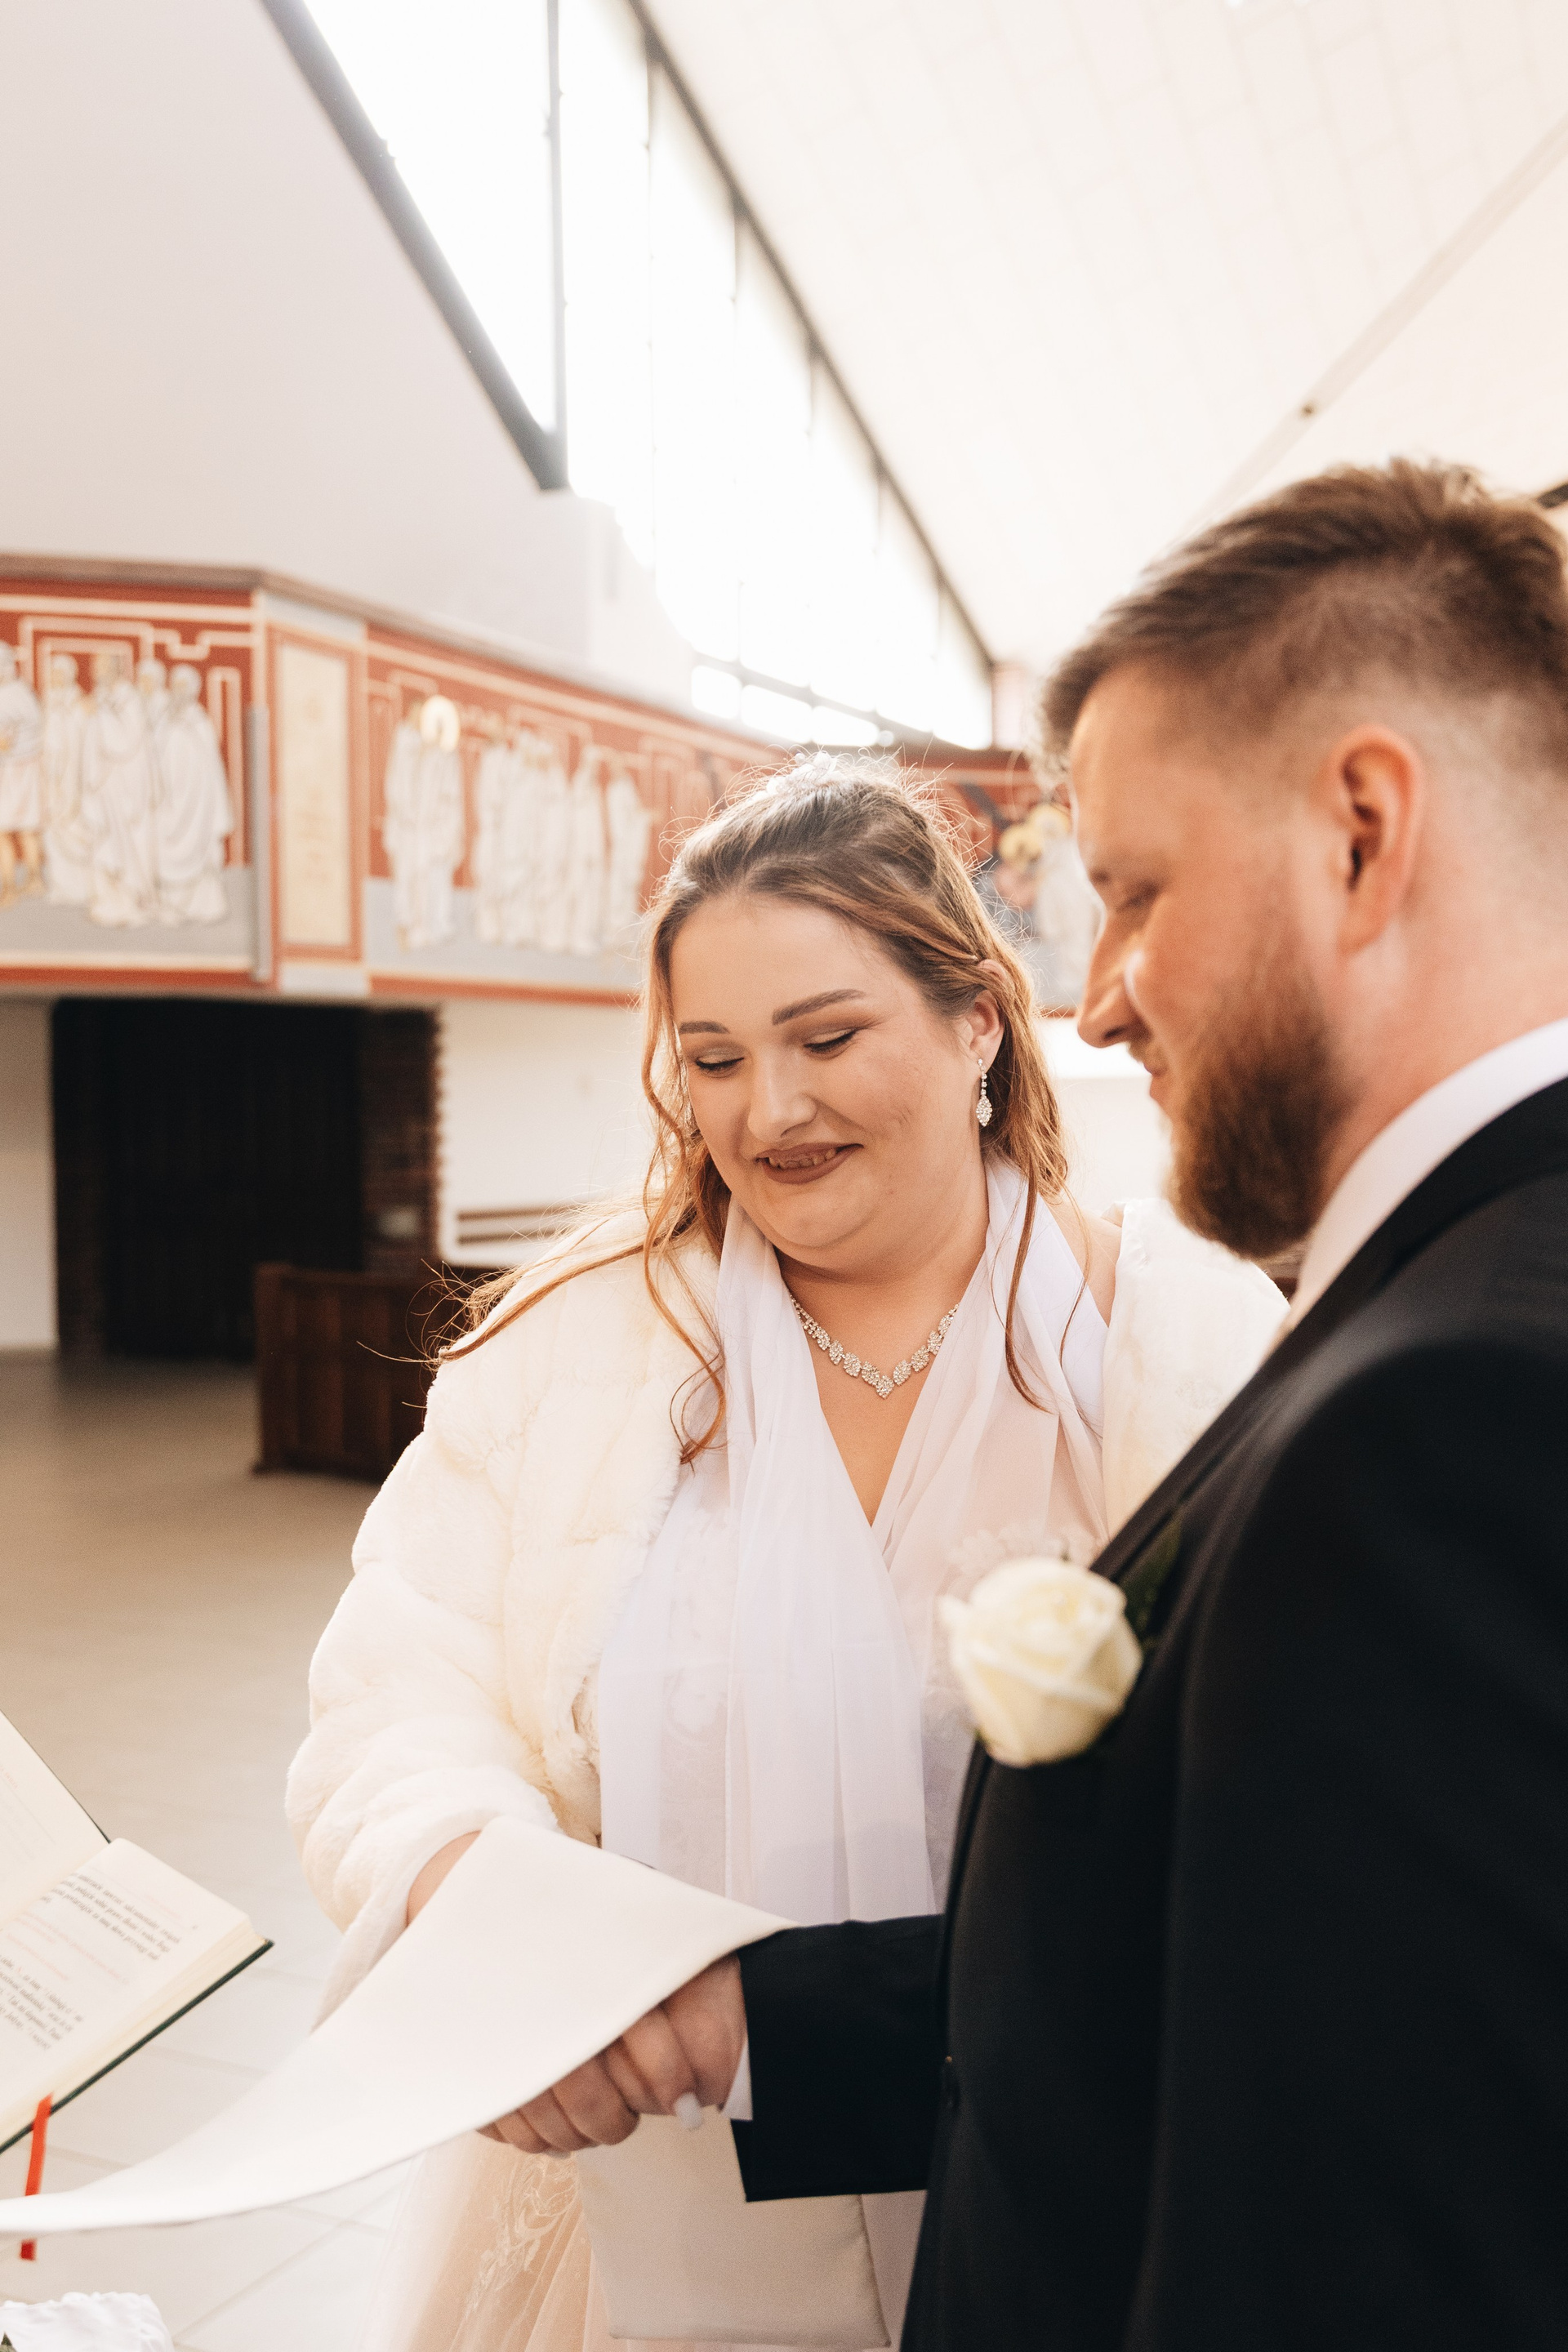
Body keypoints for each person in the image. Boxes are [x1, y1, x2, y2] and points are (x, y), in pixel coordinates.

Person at [559, 461, 1568, 2350]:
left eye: (1136, 894)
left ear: (1363, 833)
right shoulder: (1459, 1294)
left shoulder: (1451, 1411)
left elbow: (1365, 2238)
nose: (1095, 1001)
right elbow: (1217, 1984)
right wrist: (745, 2021)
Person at [287, 755, 1283, 2352]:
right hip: (658, 2213)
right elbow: (401, 1695)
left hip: (1069, 2196)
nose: (770, 1111)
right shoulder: (576, 1352)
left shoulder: (1184, 1348)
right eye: (716, 1059)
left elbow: (1278, 1802)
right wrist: (485, 1902)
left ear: (977, 1022)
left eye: (827, 1039)